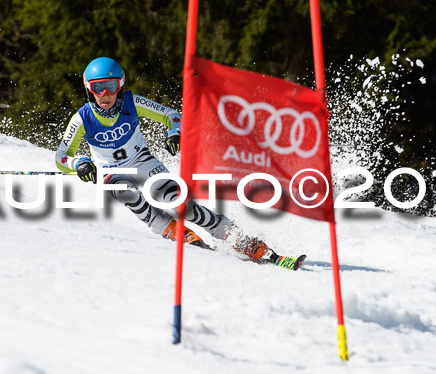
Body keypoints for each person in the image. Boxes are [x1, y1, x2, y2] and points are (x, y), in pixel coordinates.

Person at [55, 57, 304, 270]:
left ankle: (252, 246)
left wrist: (174, 132)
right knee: (125, 193)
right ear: (89, 89)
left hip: (142, 162)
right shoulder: (82, 118)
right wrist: (80, 163)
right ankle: (178, 234)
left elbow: (171, 114)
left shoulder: (133, 103)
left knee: (180, 205)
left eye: (110, 86)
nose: (105, 95)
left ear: (120, 85)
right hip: (111, 172)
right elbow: (62, 156)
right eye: (98, 88)